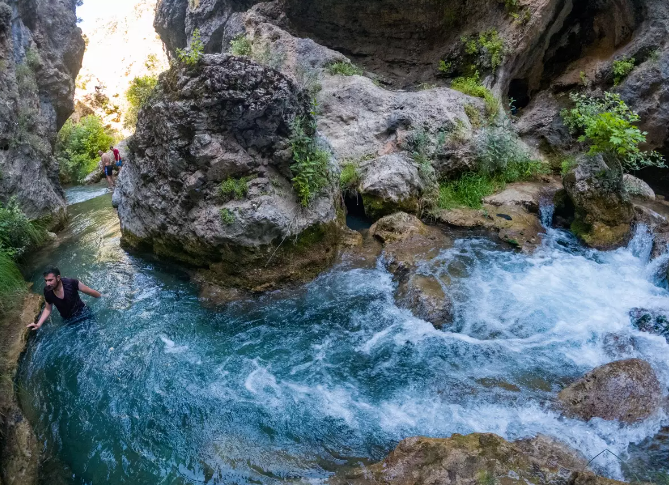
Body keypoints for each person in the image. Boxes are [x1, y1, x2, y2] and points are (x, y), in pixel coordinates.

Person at [27, 267, 102, 330]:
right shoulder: (47, 291)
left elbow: (89, 291)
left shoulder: (71, 283)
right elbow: (47, 309)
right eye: (46, 280)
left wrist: (102, 297)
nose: (47, 283)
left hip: (84, 313)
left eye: (50, 280)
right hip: (68, 320)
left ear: (58, 277)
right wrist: (38, 324)